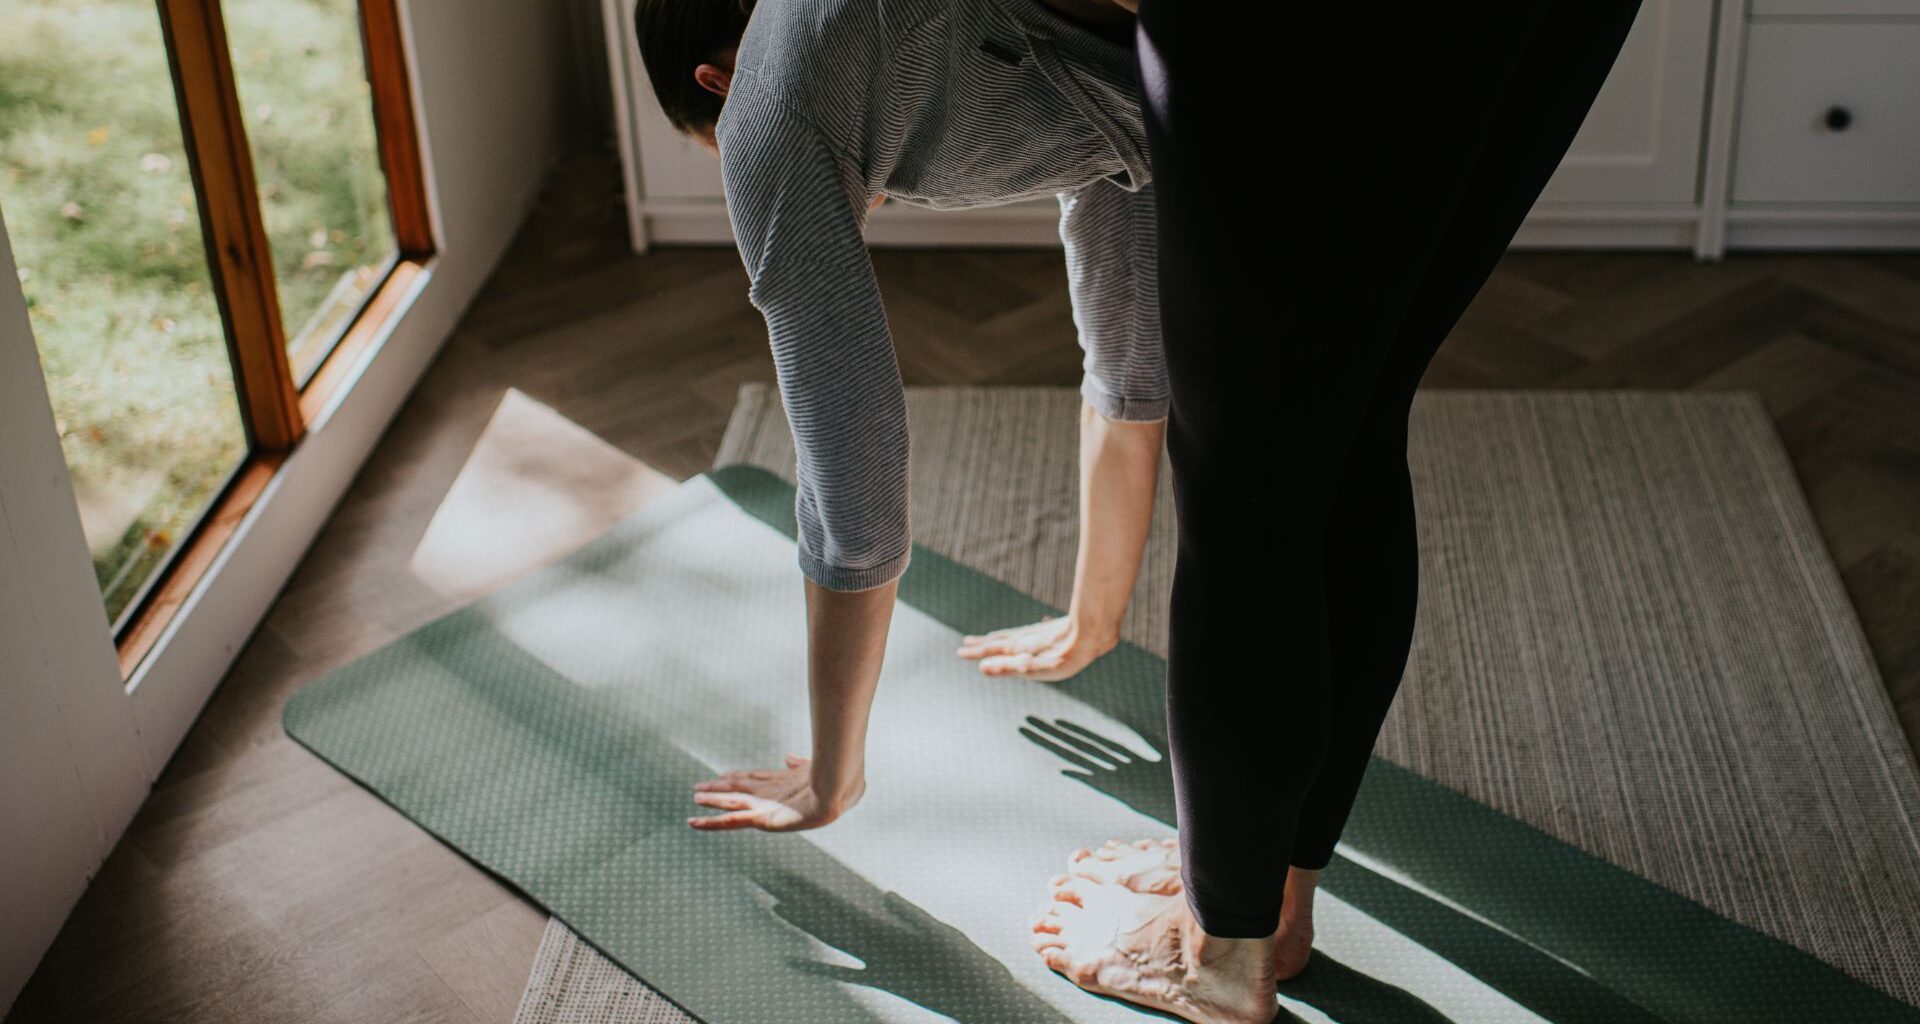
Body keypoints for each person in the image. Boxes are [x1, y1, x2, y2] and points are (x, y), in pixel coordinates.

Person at [638, 0, 1643, 1020]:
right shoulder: (1019, 38)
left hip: (1317, 42)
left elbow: (847, 459)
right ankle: (1271, 906)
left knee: (1249, 499)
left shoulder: (768, 99)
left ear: (717, 84)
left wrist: (829, 772)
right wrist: (1093, 615)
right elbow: (1129, 245)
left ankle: (1218, 961)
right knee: (1347, 437)